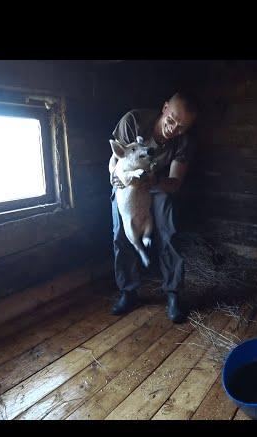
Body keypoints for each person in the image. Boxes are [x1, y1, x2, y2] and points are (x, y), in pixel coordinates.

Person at [108, 91, 198, 323]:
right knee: (122, 232)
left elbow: (175, 182)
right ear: (165, 107)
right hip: (127, 183)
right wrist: (114, 176)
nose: (173, 129)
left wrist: (154, 182)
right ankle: (128, 291)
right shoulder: (134, 121)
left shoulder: (183, 142)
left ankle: (173, 293)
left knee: (168, 230)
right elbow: (115, 158)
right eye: (171, 120)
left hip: (155, 185)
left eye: (181, 127)